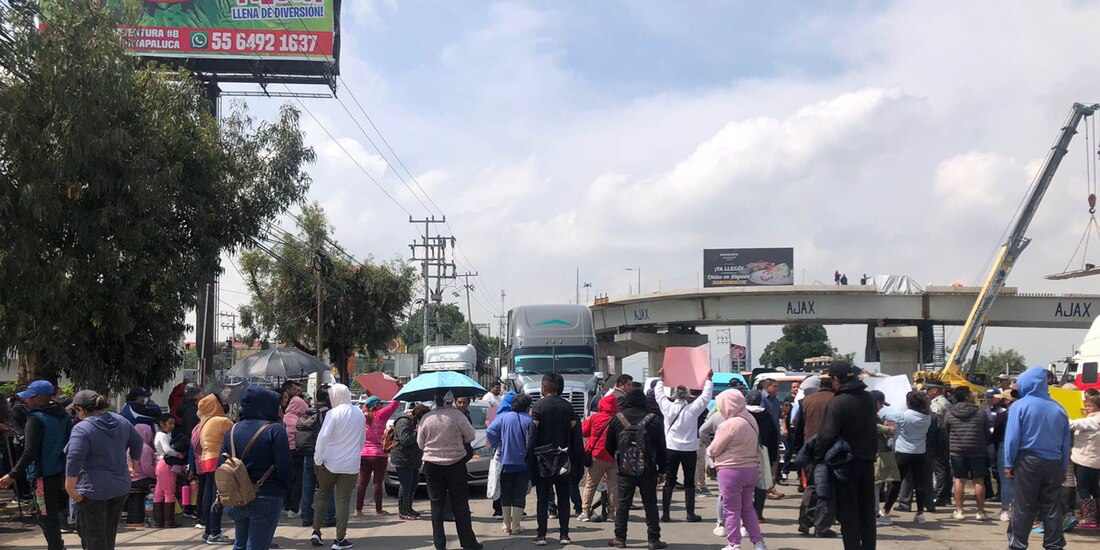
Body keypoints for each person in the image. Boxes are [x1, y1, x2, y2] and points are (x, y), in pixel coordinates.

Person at [1004, 366, 1072, 550]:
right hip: (1054, 463)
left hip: (1028, 461)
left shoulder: (1020, 405)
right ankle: (1054, 544)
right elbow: (1066, 443)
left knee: (1023, 506)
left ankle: (1018, 544)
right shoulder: (1059, 408)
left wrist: (1009, 463)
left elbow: (1012, 438)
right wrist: (1064, 467)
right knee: (1051, 507)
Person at [65, 390, 143, 550]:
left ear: (81, 410)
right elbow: (138, 441)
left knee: (92, 538)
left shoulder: (82, 428)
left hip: (93, 491)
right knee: (108, 534)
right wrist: (133, 466)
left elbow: (74, 458)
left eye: (75, 411)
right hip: (120, 488)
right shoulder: (121, 421)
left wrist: (70, 487)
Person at [0, 381, 71, 550]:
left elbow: (29, 451)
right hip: (62, 473)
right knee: (54, 512)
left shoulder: (35, 419)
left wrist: (12, 475)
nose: (27, 401)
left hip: (42, 475)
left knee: (45, 515)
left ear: (39, 398)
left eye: (30, 397)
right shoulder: (65, 417)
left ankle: (56, 547)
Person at [222, 385, 294, 550]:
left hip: (237, 497)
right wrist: (285, 489)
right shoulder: (275, 430)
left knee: (240, 544)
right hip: (266, 495)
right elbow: (285, 467)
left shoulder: (232, 430)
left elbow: (222, 464)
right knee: (257, 546)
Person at [815, 361, 877, 550]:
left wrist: (817, 456)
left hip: (845, 465)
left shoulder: (837, 402)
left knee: (848, 514)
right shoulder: (868, 399)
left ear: (835, 380)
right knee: (867, 512)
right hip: (867, 462)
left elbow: (827, 435)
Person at [418, 391, 481, 550]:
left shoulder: (426, 418)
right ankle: (468, 543)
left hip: (432, 465)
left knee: (436, 505)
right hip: (456, 463)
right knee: (460, 504)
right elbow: (471, 435)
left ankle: (440, 545)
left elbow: (420, 443)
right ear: (450, 401)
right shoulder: (458, 416)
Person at [606, 388, 668, 549]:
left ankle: (620, 538)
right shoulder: (654, 420)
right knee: (650, 504)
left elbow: (608, 446)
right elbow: (662, 448)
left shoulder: (617, 419)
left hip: (624, 470)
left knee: (623, 504)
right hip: (648, 469)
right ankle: (654, 539)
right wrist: (662, 470)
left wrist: (621, 459)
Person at [708, 389, 767, 550]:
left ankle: (734, 543)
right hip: (751, 469)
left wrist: (709, 452)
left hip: (731, 471)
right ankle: (758, 542)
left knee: (731, 509)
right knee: (748, 507)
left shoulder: (728, 424)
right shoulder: (751, 420)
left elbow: (713, 450)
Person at [653, 368, 714, 522]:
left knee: (669, 481)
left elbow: (658, 394)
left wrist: (661, 378)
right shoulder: (693, 409)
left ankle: (666, 514)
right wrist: (708, 379)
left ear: (674, 394)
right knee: (689, 482)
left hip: (671, 448)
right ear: (687, 395)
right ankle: (690, 513)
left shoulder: (668, 407)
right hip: (689, 449)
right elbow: (706, 396)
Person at [309, 383, 365, 550]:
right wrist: (355, 455)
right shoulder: (359, 413)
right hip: (350, 465)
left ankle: (316, 531)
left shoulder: (333, 413)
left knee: (322, 495)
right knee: (343, 501)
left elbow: (323, 437)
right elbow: (362, 440)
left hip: (328, 463)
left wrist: (318, 460)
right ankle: (340, 539)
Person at [530, 373, 580, 545]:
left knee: (542, 498)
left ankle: (541, 535)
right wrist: (577, 458)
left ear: (543, 388)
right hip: (564, 459)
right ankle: (564, 534)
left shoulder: (537, 407)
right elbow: (576, 436)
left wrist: (529, 458)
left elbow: (532, 436)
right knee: (564, 497)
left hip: (543, 460)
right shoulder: (568, 407)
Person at [878, 390, 932, 523]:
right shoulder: (927, 416)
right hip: (920, 452)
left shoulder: (904, 416)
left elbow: (883, 414)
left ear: (908, 403)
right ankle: (920, 513)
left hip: (903, 452)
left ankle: (885, 510)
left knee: (896, 483)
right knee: (919, 483)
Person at [793, 373, 837, 538]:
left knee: (811, 486)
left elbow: (798, 427)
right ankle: (822, 526)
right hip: (831, 451)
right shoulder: (836, 400)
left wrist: (799, 449)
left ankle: (804, 522)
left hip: (809, 450)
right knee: (827, 489)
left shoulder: (807, 401)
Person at [487, 392, 534, 535]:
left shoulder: (503, 417)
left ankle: (506, 525)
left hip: (504, 461)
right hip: (523, 463)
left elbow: (490, 431)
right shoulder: (529, 420)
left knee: (506, 493)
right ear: (527, 406)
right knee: (520, 493)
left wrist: (498, 444)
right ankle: (516, 525)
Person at [943, 386, 992, 521]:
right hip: (977, 450)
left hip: (957, 451)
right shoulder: (980, 412)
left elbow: (946, 430)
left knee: (959, 480)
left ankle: (959, 511)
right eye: (971, 393)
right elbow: (986, 432)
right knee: (979, 480)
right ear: (966, 396)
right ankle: (980, 511)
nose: (973, 395)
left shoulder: (950, 412)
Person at [197, 393, 234, 545]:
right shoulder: (221, 421)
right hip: (217, 460)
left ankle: (208, 530)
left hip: (206, 460)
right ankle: (215, 532)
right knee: (217, 498)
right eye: (221, 401)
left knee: (208, 496)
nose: (224, 403)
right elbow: (235, 433)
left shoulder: (204, 421)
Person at [357, 396, 401, 516]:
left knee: (362, 483)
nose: (382, 405)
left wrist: (369, 399)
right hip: (379, 454)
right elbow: (394, 404)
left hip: (364, 453)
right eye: (380, 403)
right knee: (377, 482)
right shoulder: (381, 415)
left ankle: (358, 510)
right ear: (377, 405)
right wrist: (399, 388)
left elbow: (365, 407)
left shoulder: (362, 416)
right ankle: (378, 510)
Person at [580, 394, 619, 522]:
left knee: (590, 485)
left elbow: (584, 432)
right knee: (613, 485)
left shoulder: (595, 418)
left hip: (597, 455)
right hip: (613, 457)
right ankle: (611, 514)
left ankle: (585, 512)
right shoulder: (618, 419)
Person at [744, 390, 778, 524]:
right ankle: (758, 514)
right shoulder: (767, 416)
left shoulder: (743, 415)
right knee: (761, 484)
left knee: (745, 484)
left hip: (744, 452)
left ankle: (745, 512)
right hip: (763, 453)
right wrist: (773, 458)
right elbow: (773, 438)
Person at [391, 404, 429, 520]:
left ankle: (409, 508)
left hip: (413, 458)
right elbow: (405, 440)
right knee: (406, 485)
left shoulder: (413, 422)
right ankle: (403, 511)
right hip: (403, 458)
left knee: (413, 483)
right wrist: (417, 431)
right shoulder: (404, 422)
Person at [1069, 395, 1100, 529]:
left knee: (1084, 488)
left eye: (1089, 406)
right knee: (1094, 488)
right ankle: (1096, 516)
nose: (1086, 408)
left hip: (1086, 459)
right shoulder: (1092, 419)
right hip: (1092, 459)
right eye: (1085, 405)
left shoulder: (1094, 421)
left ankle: (1089, 518)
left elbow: (1073, 424)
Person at [870, 391, 899, 528]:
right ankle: (874, 514)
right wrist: (887, 429)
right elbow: (872, 426)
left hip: (876, 452)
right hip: (874, 453)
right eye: (881, 404)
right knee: (875, 485)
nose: (881, 407)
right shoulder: (867, 414)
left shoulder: (873, 415)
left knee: (877, 484)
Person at [925, 382, 952, 508]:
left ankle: (940, 495)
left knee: (939, 468)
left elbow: (936, 422)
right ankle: (946, 496)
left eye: (928, 389)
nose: (926, 392)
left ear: (935, 390)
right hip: (944, 437)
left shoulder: (936, 404)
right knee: (945, 467)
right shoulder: (946, 402)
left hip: (938, 438)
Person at [992, 390, 1018, 522]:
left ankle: (1005, 510)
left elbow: (996, 435)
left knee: (1006, 479)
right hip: (1022, 447)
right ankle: (1017, 509)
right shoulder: (1024, 413)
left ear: (1008, 401)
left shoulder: (1003, 416)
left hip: (1004, 445)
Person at [153, 414, 183, 528]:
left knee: (159, 492)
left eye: (173, 423)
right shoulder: (163, 436)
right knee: (169, 491)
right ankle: (169, 521)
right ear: (162, 423)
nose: (172, 426)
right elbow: (167, 450)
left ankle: (158, 521)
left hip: (160, 464)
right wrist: (178, 454)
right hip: (167, 464)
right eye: (170, 423)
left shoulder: (159, 435)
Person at [282, 393, 308, 518]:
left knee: (288, 479)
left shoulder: (284, 418)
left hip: (285, 451)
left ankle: (286, 506)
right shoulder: (300, 420)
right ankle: (294, 508)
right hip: (297, 451)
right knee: (298, 481)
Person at [778, 380, 801, 484]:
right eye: (794, 387)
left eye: (798, 387)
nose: (796, 389)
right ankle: (785, 472)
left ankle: (800, 474)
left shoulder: (801, 399)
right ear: (791, 389)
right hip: (790, 430)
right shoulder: (788, 400)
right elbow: (784, 415)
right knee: (788, 451)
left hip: (800, 430)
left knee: (800, 453)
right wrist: (785, 428)